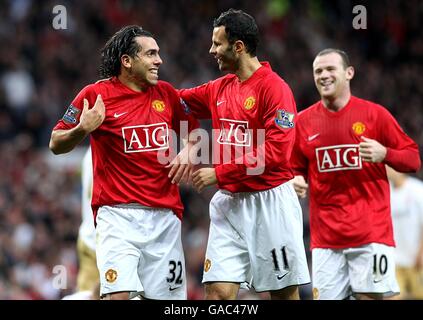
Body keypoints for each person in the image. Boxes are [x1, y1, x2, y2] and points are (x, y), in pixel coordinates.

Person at [49, 26, 198, 300]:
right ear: (127, 61)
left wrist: (189, 149)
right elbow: (56, 142)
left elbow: (194, 133)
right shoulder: (95, 95)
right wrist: (82, 129)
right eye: (151, 54)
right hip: (117, 217)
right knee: (117, 296)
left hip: (164, 219)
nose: (159, 60)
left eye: (159, 53)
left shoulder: (166, 94)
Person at [173, 9, 311, 300]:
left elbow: (276, 152)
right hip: (229, 206)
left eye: (217, 43)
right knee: (218, 293)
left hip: (271, 203)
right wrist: (137, 86)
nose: (211, 50)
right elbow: (176, 101)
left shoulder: (275, 89)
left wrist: (219, 172)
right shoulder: (219, 88)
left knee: (283, 294)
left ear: (238, 46)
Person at [290, 48, 421, 300]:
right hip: (326, 239)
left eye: (330, 69)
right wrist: (296, 178)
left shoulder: (375, 115)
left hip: (371, 234)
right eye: (318, 71)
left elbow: (413, 158)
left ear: (349, 73)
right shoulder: (302, 122)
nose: (324, 75)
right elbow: (293, 166)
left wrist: (385, 154)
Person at [386, 166, 423, 299]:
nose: (387, 170)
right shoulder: (385, 192)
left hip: (416, 258)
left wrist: (421, 252)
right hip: (393, 260)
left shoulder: (418, 190)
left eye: (389, 167)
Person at [75, 147, 99, 293]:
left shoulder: (89, 153)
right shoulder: (114, 146)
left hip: (88, 236)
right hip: (109, 241)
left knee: (87, 294)